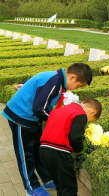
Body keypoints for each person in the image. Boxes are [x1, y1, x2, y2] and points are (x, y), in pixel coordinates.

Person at [1, 63, 93, 196]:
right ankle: (31, 187)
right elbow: (40, 109)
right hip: (20, 117)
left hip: (32, 119)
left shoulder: (56, 79)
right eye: (78, 86)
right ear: (72, 77)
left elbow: (36, 84)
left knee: (38, 150)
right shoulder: (54, 82)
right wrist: (60, 122)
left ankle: (46, 179)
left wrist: (24, 85)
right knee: (26, 155)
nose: (76, 88)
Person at [40, 98, 102, 196]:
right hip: (59, 153)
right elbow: (75, 137)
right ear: (92, 112)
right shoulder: (80, 114)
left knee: (60, 186)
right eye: (90, 120)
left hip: (44, 151)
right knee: (69, 189)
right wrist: (79, 152)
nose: (87, 121)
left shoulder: (60, 110)